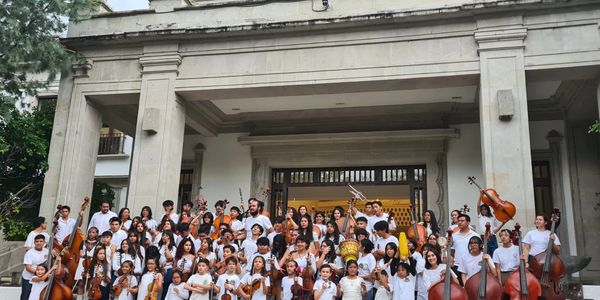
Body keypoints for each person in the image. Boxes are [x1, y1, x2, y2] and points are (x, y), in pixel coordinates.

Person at [451, 214, 479, 285]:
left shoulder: (475, 235)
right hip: (457, 265)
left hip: (470, 265)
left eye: (462, 221)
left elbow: (479, 251)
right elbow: (452, 251)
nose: (460, 222)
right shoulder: (454, 236)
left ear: (468, 222)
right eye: (459, 221)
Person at [21, 234, 49, 300]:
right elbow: (28, 268)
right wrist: (41, 273)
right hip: (28, 278)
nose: (39, 243)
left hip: (40, 277)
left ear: (44, 243)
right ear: (34, 243)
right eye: (37, 241)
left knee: (36, 296)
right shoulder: (29, 253)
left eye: (41, 241)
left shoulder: (47, 251)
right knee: (26, 296)